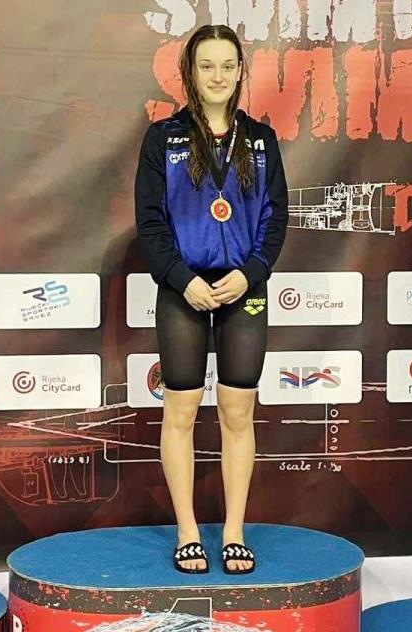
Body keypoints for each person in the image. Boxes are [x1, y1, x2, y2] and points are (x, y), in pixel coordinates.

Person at [135, 24, 289, 575]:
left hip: (243, 289)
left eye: (227, 65)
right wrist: (182, 279)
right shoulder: (163, 138)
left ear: (240, 71)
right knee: (180, 410)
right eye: (207, 66)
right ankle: (187, 532)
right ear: (190, 72)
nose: (218, 76)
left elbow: (274, 217)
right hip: (185, 290)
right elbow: (150, 223)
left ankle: (233, 532)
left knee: (237, 412)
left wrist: (251, 274)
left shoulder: (261, 139)